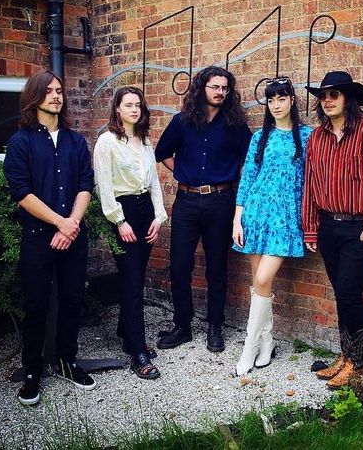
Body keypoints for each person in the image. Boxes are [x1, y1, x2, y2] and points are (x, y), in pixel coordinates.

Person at [302, 70, 363, 389]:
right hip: (328, 226)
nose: (327, 100)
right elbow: (310, 186)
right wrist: (311, 228)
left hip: (362, 229)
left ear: (349, 98)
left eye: (334, 94)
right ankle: (346, 357)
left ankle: (358, 364)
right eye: (323, 96)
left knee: (348, 291)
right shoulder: (317, 138)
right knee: (342, 294)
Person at [4, 69, 96, 406]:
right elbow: (21, 191)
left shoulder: (76, 141)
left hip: (73, 235)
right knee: (36, 305)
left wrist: (71, 224)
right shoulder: (21, 142)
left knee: (72, 300)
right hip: (37, 237)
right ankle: (32, 372)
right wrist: (60, 223)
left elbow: (85, 184)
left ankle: (67, 362)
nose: (56, 96)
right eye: (48, 91)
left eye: (59, 91)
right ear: (34, 97)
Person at [155, 66, 252, 352]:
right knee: (179, 266)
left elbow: (250, 159)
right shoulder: (182, 121)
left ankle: (215, 327)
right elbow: (162, 152)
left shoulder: (235, 124)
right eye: (215, 87)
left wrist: (232, 178)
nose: (220, 92)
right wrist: (182, 172)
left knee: (217, 267)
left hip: (220, 202)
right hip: (186, 202)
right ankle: (182, 326)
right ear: (202, 88)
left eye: (225, 88)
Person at [232, 76, 312, 375]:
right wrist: (238, 217)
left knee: (264, 280)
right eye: (271, 100)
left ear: (292, 100)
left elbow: (312, 180)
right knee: (258, 284)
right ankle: (267, 343)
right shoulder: (260, 137)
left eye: (281, 98)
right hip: (256, 213)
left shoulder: (307, 136)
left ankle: (249, 348)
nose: (276, 105)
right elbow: (248, 177)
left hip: (285, 218)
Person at [93, 86, 167, 380]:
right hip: (123, 213)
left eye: (138, 105)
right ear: (117, 109)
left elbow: (155, 182)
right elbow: (103, 185)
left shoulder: (145, 140)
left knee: (136, 276)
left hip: (145, 210)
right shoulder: (107, 142)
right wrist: (119, 221)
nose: (134, 109)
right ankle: (138, 352)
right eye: (128, 105)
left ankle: (126, 332)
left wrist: (159, 217)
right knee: (132, 280)